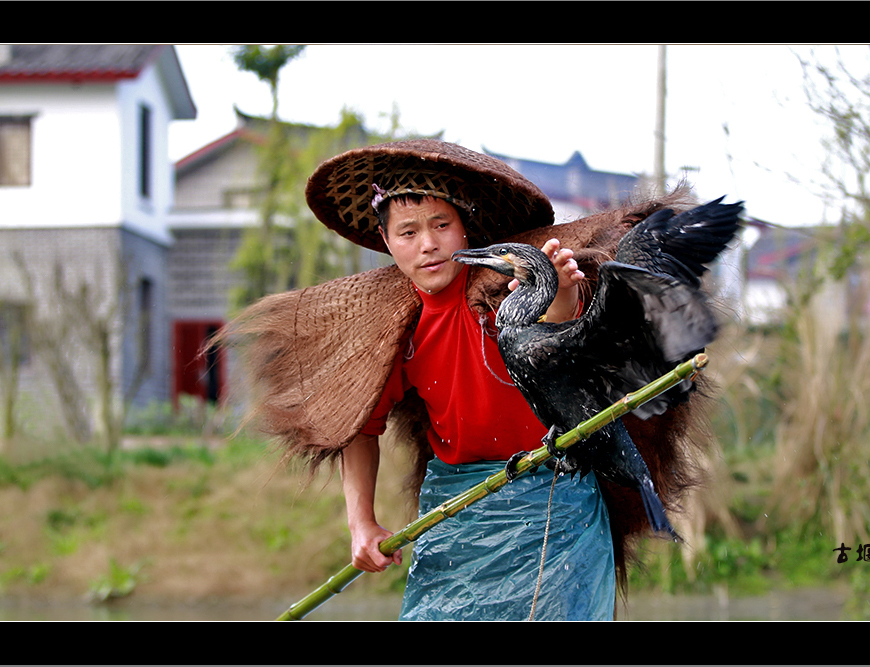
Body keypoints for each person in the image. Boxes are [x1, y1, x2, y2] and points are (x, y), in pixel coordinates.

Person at [222, 140, 708, 620]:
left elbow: (561, 336)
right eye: (408, 232)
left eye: (441, 225)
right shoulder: (391, 329)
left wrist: (558, 290)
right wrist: (361, 523)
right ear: (387, 243)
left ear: (465, 231)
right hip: (456, 508)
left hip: (551, 495)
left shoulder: (501, 292)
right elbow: (360, 426)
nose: (428, 243)